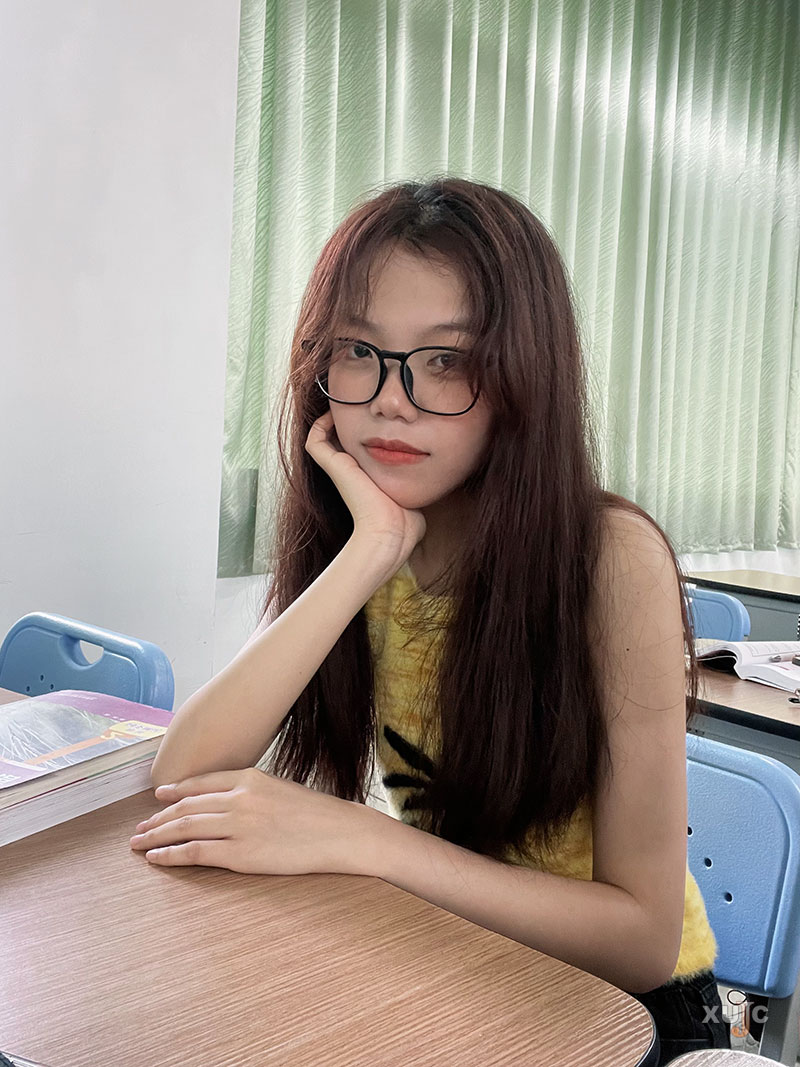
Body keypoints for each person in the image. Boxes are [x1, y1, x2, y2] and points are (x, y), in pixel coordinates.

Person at [141, 177, 731, 1062]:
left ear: (523, 378)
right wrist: (371, 550)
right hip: (455, 961)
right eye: (358, 350)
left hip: (619, 1016)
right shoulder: (373, 533)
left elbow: (643, 937)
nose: (393, 398)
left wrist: (365, 840)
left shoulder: (608, 559)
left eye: (448, 360)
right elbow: (183, 774)